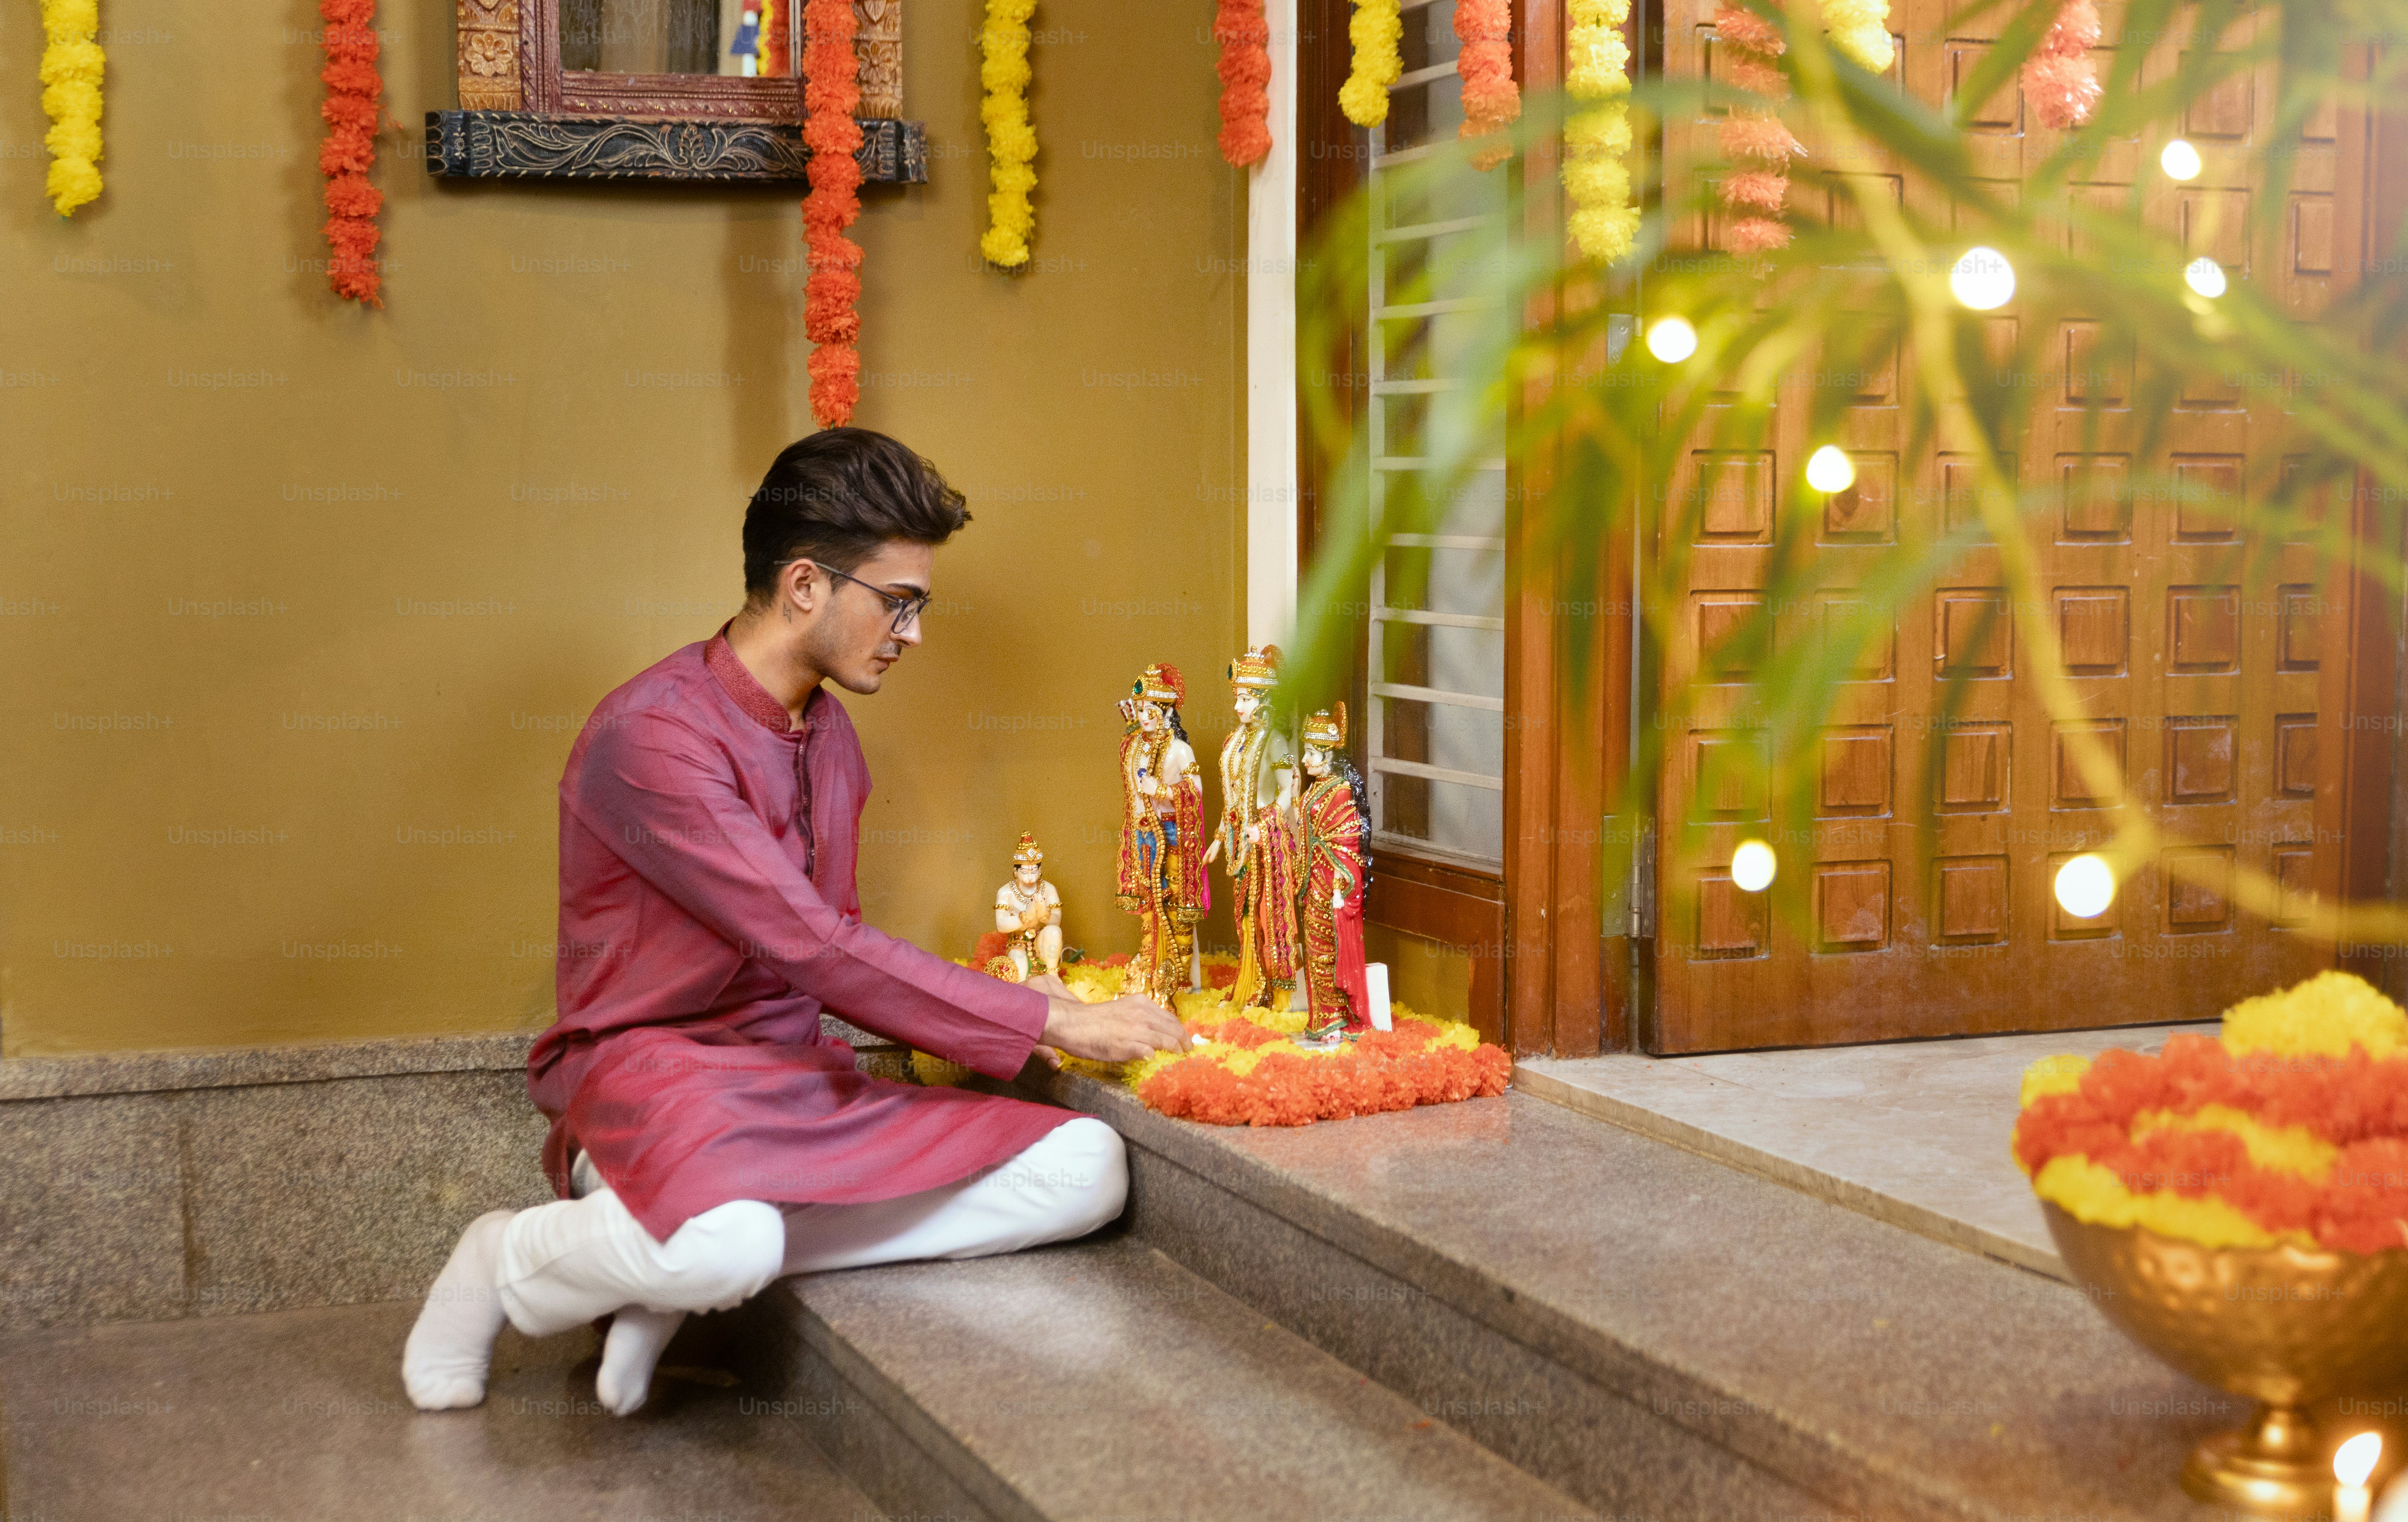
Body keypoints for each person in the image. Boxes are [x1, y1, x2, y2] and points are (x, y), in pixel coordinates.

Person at [401, 429, 1185, 1417]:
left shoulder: (830, 733)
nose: (911, 633)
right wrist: (1050, 1017)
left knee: (1086, 1169)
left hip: (796, 1083)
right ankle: (504, 1259)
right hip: (656, 1081)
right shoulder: (653, 735)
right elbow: (813, 943)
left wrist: (1010, 1008)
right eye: (898, 601)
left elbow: (829, 950)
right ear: (806, 584)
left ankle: (665, 1268)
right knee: (731, 1240)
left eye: (918, 605)